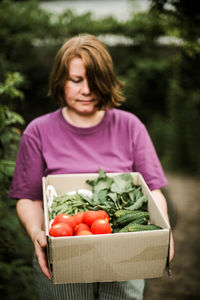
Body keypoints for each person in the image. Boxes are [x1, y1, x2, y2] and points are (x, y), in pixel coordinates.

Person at [9, 34, 174, 300]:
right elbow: (28, 198)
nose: (86, 90)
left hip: (126, 257)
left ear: (106, 83)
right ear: (60, 81)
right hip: (63, 254)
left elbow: (153, 190)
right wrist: (37, 233)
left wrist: (164, 229)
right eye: (76, 80)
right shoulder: (38, 131)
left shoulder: (130, 126)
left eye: (94, 82)